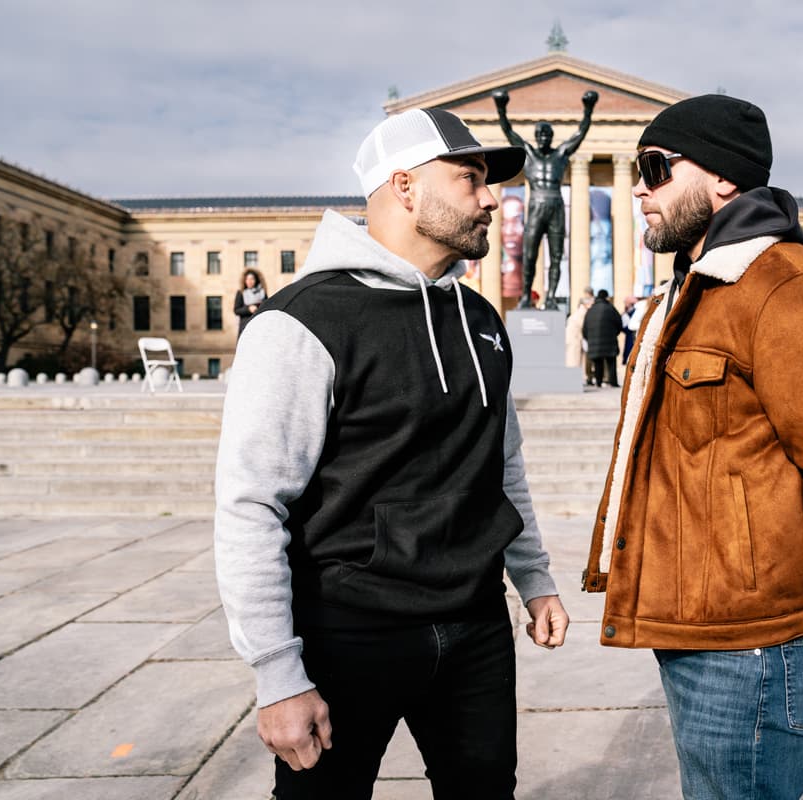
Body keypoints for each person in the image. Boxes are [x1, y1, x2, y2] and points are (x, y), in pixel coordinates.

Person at [214, 107, 569, 800]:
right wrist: (278, 674)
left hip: (475, 628)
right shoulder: (299, 322)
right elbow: (251, 504)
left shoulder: (480, 320)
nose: (492, 199)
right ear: (405, 188)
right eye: (470, 180)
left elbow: (501, 464)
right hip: (349, 634)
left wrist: (535, 578)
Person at [581, 94, 803, 800]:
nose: (637, 186)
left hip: (752, 638)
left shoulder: (790, 288)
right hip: (708, 626)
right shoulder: (693, 289)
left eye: (654, 167)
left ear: (724, 180)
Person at [493, 88, 598, 308]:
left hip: (555, 206)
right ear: (536, 137)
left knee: (556, 256)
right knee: (529, 255)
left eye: (546, 135)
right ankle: (525, 296)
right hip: (536, 205)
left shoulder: (560, 155)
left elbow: (580, 133)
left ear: (551, 138)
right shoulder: (528, 154)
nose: (543, 138)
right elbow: (508, 131)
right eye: (539, 135)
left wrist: (588, 110)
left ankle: (550, 297)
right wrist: (501, 108)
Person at [583, 289, 622, 387]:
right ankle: (613, 382)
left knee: (597, 362)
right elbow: (619, 323)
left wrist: (590, 339)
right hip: (610, 341)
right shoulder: (611, 308)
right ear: (606, 297)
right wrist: (614, 334)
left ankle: (599, 382)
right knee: (611, 362)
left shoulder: (591, 310)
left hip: (594, 342)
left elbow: (584, 328)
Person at [234, 269, 266, 338]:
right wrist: (248, 309)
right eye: (247, 279)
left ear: (256, 280)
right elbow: (236, 310)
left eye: (252, 279)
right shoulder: (241, 292)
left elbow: (267, 307)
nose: (249, 281)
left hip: (259, 326)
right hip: (245, 326)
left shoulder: (262, 292)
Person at [621, 295, 639, 363]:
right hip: (630, 336)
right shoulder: (627, 313)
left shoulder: (634, 313)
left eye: (626, 303)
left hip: (633, 337)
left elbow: (629, 327)